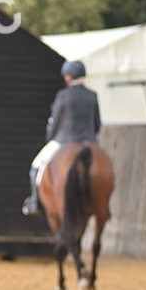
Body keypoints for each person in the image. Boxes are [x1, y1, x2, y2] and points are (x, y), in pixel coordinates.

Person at [21, 59, 102, 216]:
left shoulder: (63, 95)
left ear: (69, 77)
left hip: (65, 140)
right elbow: (98, 123)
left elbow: (54, 122)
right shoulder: (93, 95)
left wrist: (50, 138)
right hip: (89, 141)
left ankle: (34, 202)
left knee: (36, 166)